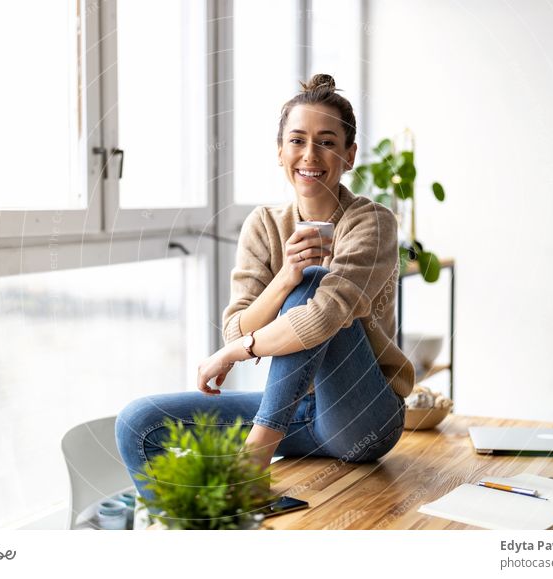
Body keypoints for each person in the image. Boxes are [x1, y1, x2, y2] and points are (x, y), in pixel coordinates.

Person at [115, 73, 415, 505]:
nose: (310, 154)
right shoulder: (263, 224)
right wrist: (284, 278)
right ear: (280, 152)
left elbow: (321, 316)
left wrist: (234, 353)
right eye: (297, 140)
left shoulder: (372, 221)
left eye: (327, 142)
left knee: (315, 285)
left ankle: (253, 464)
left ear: (349, 155)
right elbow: (236, 328)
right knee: (138, 422)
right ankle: (198, 528)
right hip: (296, 411)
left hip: (362, 417)